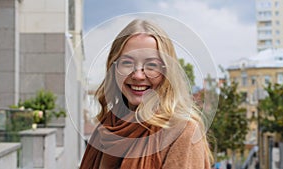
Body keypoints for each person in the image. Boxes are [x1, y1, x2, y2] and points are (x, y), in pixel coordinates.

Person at [80, 19, 213, 169]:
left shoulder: (182, 132)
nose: (138, 75)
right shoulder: (107, 127)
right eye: (127, 63)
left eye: (151, 65)